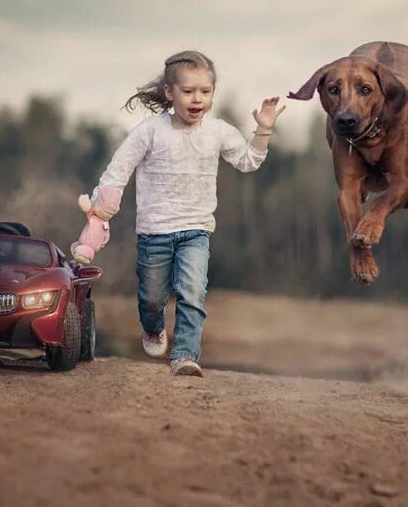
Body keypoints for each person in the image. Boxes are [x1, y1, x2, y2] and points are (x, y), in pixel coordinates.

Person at [92, 50, 284, 376]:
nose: (198, 99)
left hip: (197, 229)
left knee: (192, 292)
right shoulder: (150, 131)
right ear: (170, 92)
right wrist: (103, 204)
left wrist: (263, 130)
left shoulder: (219, 132)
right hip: (154, 230)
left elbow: (249, 161)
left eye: (205, 92)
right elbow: (119, 168)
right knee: (152, 298)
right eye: (189, 91)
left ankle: (184, 356)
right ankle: (153, 328)